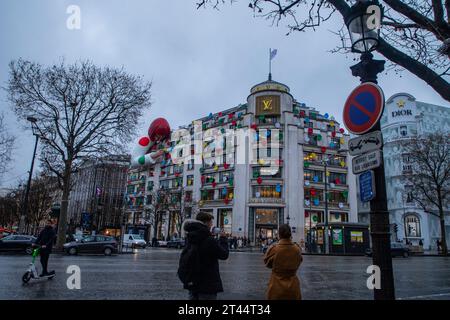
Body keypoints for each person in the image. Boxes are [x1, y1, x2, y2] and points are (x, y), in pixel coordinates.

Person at [178, 212, 229, 300]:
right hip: (207, 284)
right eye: (210, 223)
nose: (211, 225)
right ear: (206, 223)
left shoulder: (190, 237)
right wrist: (223, 239)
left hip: (193, 282)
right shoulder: (208, 239)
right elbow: (224, 255)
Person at [264, 224, 302, 300]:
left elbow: (267, 263)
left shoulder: (275, 249)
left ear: (279, 234)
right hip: (293, 287)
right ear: (290, 234)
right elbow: (299, 261)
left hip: (276, 286)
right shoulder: (297, 249)